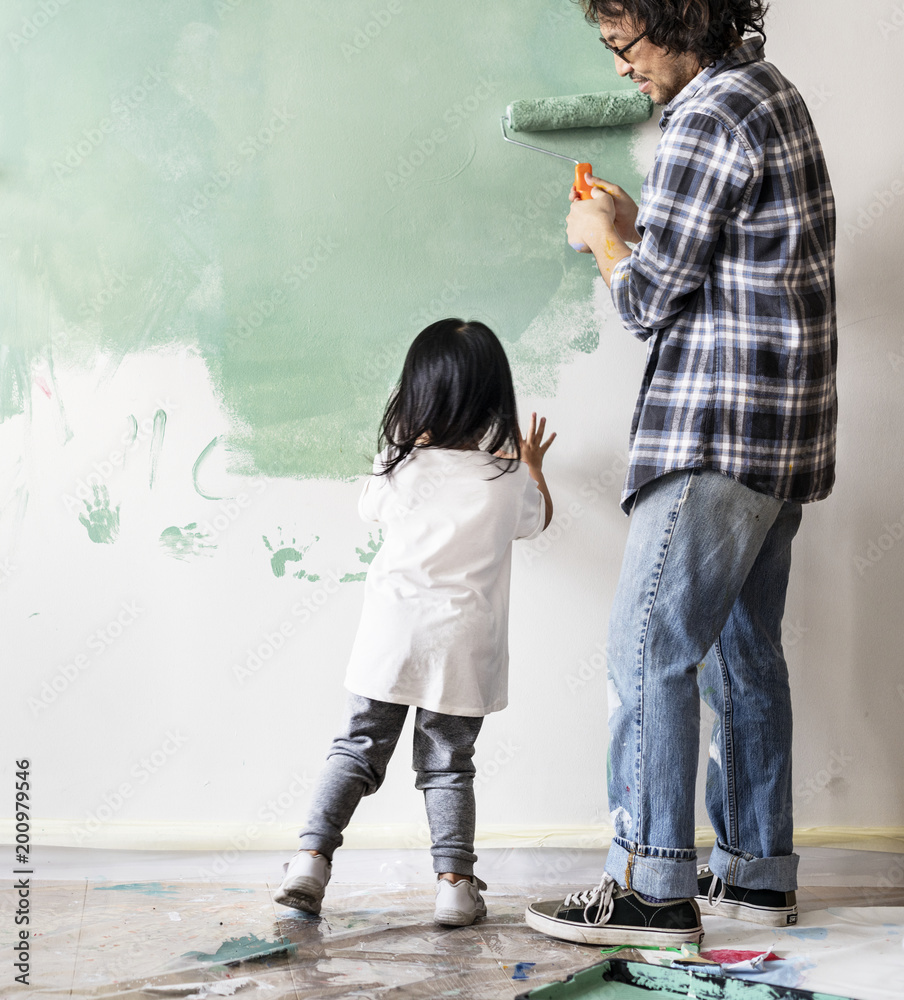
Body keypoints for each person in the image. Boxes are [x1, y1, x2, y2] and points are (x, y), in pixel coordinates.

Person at [526, 0, 837, 947]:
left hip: (712, 429)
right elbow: (724, 258)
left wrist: (602, 241)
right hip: (779, 437)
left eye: (624, 43)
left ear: (674, 18)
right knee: (743, 659)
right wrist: (636, 220)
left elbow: (653, 298)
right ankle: (754, 875)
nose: (620, 66)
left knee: (648, 650)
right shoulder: (765, 94)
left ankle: (650, 888)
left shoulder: (704, 115)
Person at [275, 318, 555, 927]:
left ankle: (309, 861)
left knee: (356, 749)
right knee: (448, 763)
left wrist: (411, 447)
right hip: (463, 644)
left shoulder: (399, 467)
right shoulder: (504, 478)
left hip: (391, 637)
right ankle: (454, 887)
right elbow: (537, 523)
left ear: (418, 393)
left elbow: (368, 507)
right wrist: (531, 466)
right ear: (493, 396)